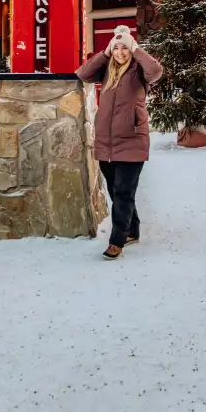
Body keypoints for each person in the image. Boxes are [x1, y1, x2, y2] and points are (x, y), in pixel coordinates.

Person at [76, 26, 163, 259]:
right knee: (117, 192)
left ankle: (117, 240)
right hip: (106, 142)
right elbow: (83, 74)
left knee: (124, 192)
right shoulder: (105, 70)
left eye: (125, 47)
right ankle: (132, 230)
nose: (121, 52)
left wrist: (136, 49)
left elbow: (156, 70)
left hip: (132, 139)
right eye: (117, 47)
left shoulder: (138, 71)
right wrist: (104, 54)